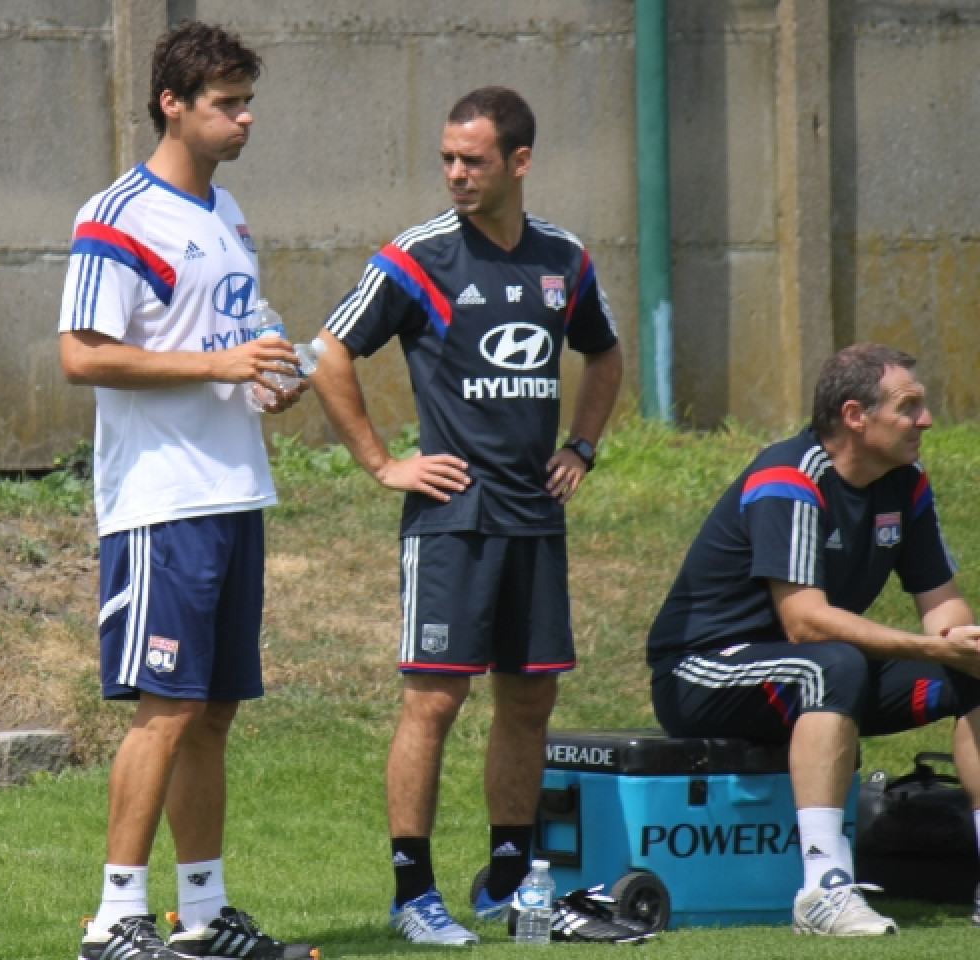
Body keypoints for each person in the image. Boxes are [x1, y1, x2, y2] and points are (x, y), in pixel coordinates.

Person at [310, 86, 637, 945]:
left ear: (518, 163)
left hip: (535, 517)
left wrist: (583, 447)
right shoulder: (419, 257)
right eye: (448, 158)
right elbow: (329, 351)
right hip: (452, 519)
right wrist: (384, 463)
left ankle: (504, 882)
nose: (456, 173)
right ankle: (412, 895)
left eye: (474, 160)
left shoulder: (564, 257)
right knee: (434, 703)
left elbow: (603, 353)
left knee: (529, 702)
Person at [58, 21, 315, 960]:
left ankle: (202, 919)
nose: (245, 119)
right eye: (226, 103)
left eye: (249, 101)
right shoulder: (117, 214)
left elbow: (239, 333)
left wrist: (267, 375)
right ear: (173, 103)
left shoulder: (228, 210)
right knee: (164, 709)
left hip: (233, 490)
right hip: (160, 501)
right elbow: (81, 355)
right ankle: (115, 921)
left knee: (213, 713)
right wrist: (217, 360)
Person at [647, 343, 980, 936]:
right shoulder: (790, 477)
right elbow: (804, 620)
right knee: (832, 664)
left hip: (811, 669)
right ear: (856, 415)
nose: (926, 421)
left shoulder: (905, 483)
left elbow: (941, 604)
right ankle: (823, 889)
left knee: (971, 676)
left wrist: (964, 646)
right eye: (909, 407)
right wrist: (931, 648)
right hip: (700, 671)